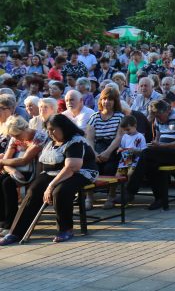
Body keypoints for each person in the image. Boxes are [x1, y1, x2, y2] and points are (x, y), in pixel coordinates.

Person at [0, 114, 97, 245]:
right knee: (33, 191)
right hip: (53, 172)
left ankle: (65, 229)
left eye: (53, 129)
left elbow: (71, 168)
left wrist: (50, 186)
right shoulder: (51, 141)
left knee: (60, 191)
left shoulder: (76, 141)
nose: (50, 133)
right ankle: (15, 232)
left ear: (64, 127)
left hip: (79, 172)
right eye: (48, 130)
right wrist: (38, 182)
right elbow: (43, 163)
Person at [127, 100, 175, 211]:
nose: (158, 119)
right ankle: (160, 199)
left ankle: (130, 192)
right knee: (150, 162)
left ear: (168, 110)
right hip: (162, 151)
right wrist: (154, 145)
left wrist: (161, 146)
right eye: (156, 116)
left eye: (159, 116)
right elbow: (157, 139)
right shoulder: (157, 118)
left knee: (147, 156)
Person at [0, 117, 48, 233]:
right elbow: (6, 161)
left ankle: (10, 222)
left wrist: (2, 161)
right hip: (17, 170)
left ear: (25, 129)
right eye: (13, 136)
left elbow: (24, 160)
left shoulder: (39, 137)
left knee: (7, 183)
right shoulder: (15, 138)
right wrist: (12, 170)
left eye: (18, 135)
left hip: (35, 171)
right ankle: (3, 219)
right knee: (2, 180)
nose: (16, 138)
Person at [85, 87, 125, 209]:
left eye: (110, 99)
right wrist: (94, 153)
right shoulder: (94, 117)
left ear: (115, 101)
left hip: (113, 147)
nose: (106, 102)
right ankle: (89, 197)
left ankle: (111, 196)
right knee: (90, 166)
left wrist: (108, 152)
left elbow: (119, 137)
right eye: (104, 99)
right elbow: (89, 138)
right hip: (97, 147)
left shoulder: (120, 117)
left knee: (111, 167)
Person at [115, 115, 146, 179]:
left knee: (130, 174)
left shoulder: (140, 136)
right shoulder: (125, 136)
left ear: (135, 126)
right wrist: (120, 149)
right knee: (117, 176)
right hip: (125, 160)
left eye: (128, 129)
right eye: (124, 130)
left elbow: (144, 151)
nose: (126, 132)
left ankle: (129, 185)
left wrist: (134, 151)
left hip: (135, 162)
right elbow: (122, 147)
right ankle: (118, 186)